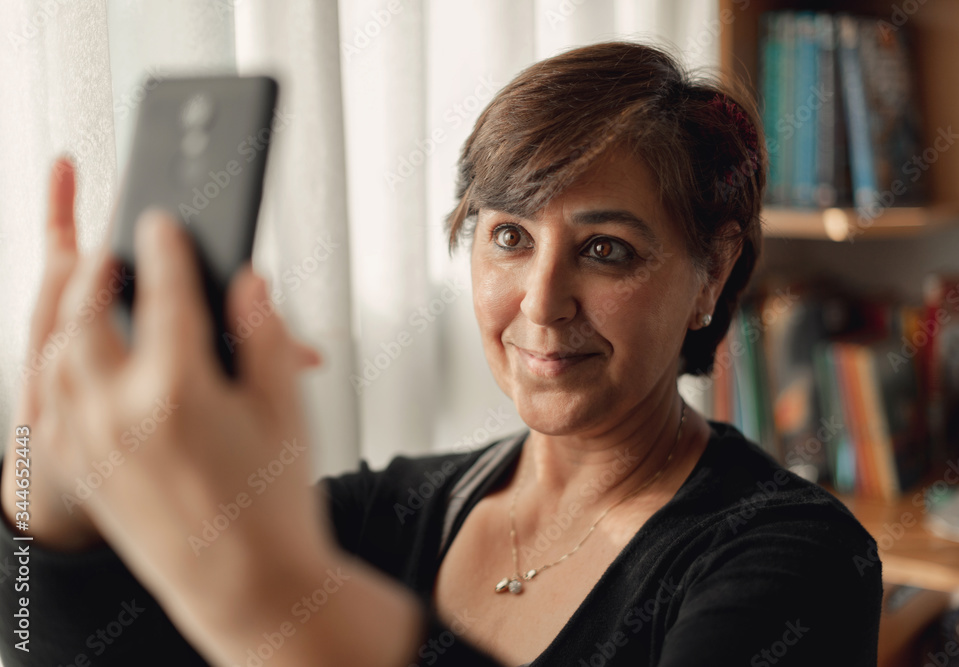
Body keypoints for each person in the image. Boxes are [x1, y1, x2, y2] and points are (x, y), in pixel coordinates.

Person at [0, 41, 881, 666]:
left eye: (606, 247)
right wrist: (39, 490)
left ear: (710, 274)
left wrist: (265, 594)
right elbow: (54, 633)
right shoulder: (390, 511)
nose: (540, 302)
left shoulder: (792, 561)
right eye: (507, 236)